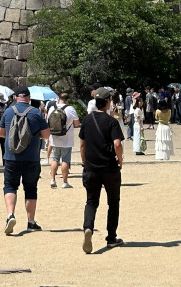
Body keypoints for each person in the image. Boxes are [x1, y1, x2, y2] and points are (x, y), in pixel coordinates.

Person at [0, 86, 50, 234]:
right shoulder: (36, 113)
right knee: (31, 188)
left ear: (16, 97)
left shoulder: (8, 112)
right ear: (29, 97)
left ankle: (10, 215)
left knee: (10, 186)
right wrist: (32, 137)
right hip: (31, 158)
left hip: (11, 157)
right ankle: (31, 221)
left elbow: (1, 133)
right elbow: (46, 135)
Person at [79, 87, 124, 254]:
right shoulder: (111, 122)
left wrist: (85, 162)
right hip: (109, 168)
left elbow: (82, 145)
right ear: (108, 102)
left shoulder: (87, 120)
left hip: (91, 167)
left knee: (91, 202)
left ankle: (88, 228)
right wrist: (120, 159)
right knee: (113, 202)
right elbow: (117, 144)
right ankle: (111, 238)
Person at [48, 92, 80, 189]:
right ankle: (64, 182)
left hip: (54, 137)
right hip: (67, 138)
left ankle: (53, 179)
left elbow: (47, 121)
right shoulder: (70, 109)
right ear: (67, 100)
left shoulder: (52, 108)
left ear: (58, 98)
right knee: (65, 160)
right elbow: (77, 124)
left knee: (55, 158)